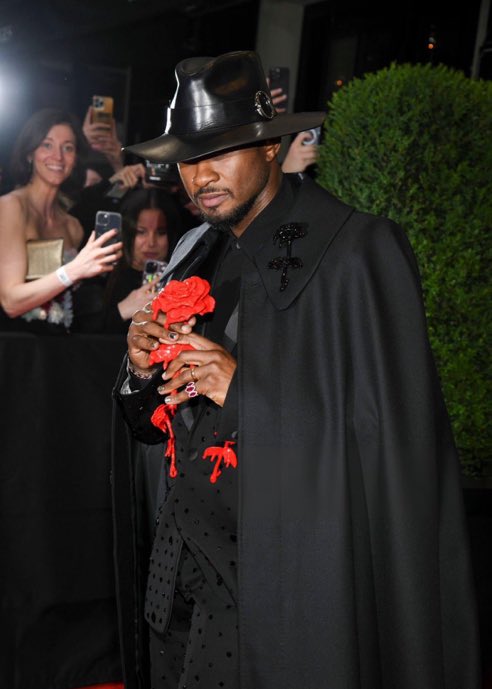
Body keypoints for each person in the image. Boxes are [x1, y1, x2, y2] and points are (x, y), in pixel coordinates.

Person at [112, 50, 480, 689]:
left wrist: (244, 392)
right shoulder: (194, 249)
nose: (201, 177)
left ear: (270, 148)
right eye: (188, 160)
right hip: (178, 577)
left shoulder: (360, 252)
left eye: (221, 151)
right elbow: (151, 429)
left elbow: (396, 454)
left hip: (287, 590)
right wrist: (141, 373)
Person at [0, 107, 122, 334]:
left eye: (68, 148)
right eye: (47, 145)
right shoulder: (11, 207)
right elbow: (10, 301)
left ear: (75, 158)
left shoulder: (72, 226)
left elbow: (71, 304)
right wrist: (74, 271)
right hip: (12, 348)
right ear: (29, 153)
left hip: (57, 349)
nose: (57, 156)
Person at [102, 187, 183, 333]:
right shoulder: (104, 274)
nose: (151, 242)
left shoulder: (182, 276)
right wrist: (122, 310)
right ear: (128, 233)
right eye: (141, 232)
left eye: (161, 232)